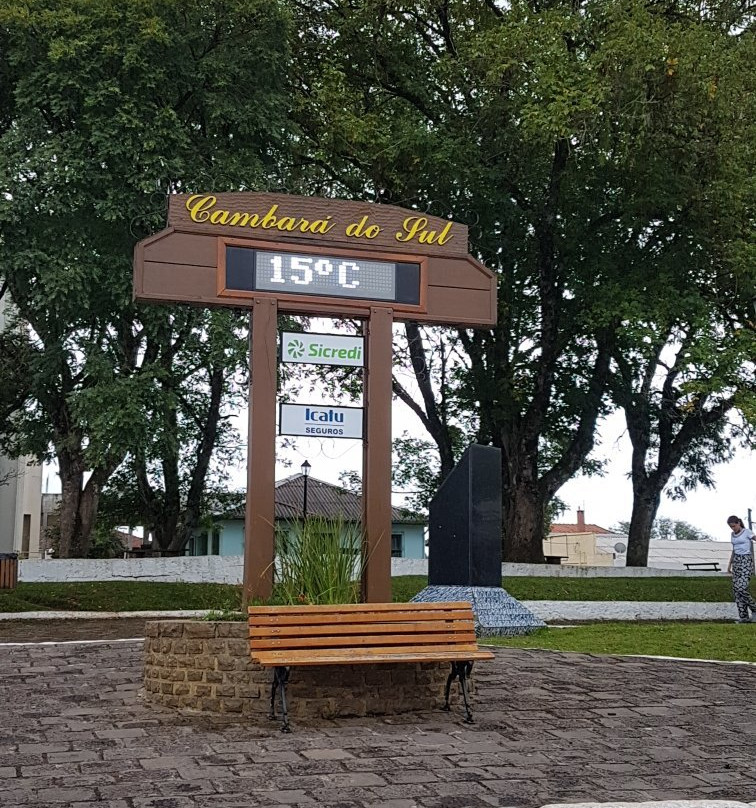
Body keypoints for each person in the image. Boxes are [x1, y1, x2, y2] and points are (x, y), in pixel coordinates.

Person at [726, 515, 756, 623]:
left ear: (738, 523)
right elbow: (734, 550)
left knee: (741, 588)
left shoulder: (747, 532)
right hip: (737, 562)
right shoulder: (732, 535)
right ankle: (743, 616)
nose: (733, 528)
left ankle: (754, 608)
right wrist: (729, 565)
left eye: (734, 526)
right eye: (731, 527)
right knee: (736, 591)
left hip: (746, 561)